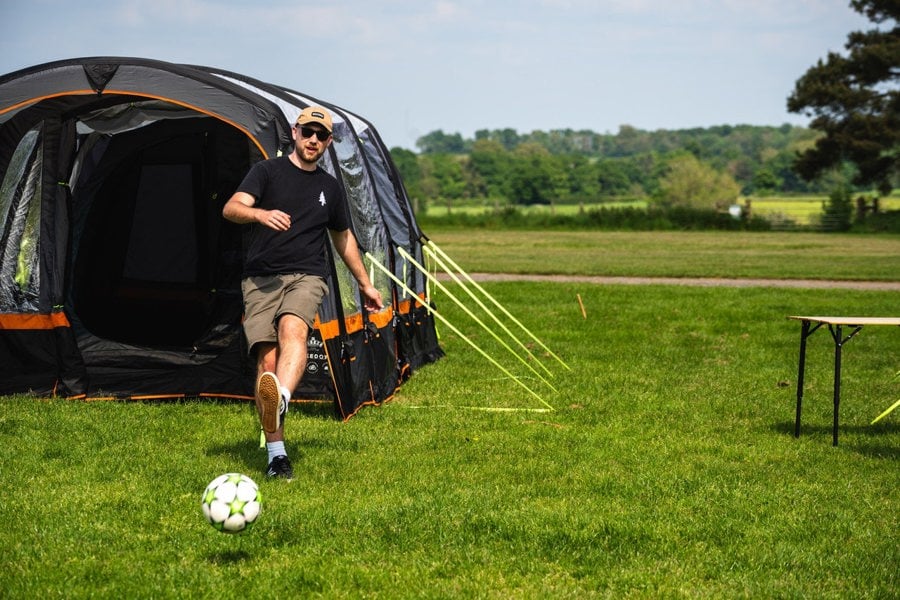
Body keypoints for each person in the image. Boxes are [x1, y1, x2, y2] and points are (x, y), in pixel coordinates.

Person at [222, 106, 384, 480]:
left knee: (293, 329)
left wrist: (365, 284)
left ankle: (280, 399)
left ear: (328, 143)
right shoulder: (266, 172)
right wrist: (261, 214)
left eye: (321, 136)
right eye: (308, 132)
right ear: (294, 132)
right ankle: (277, 455)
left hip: (307, 275)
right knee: (267, 362)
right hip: (260, 279)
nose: (313, 140)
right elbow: (231, 208)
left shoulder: (329, 187)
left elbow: (343, 238)